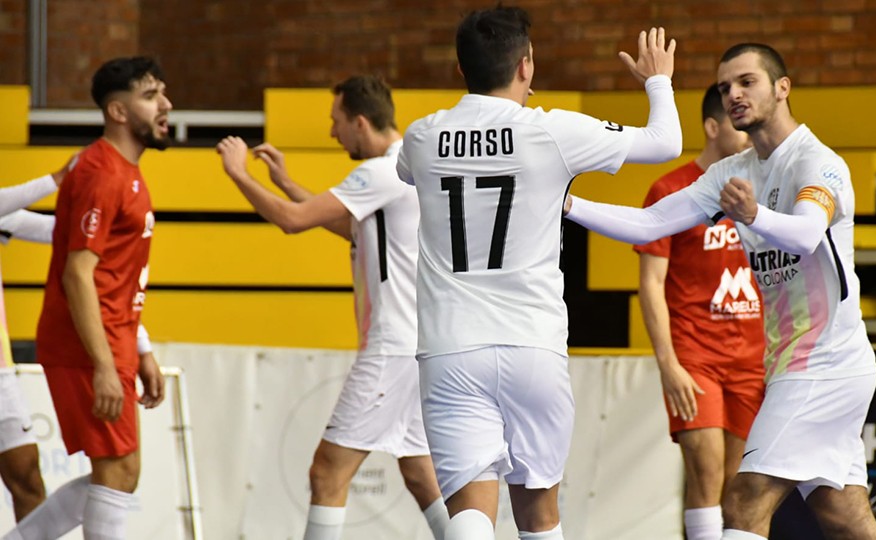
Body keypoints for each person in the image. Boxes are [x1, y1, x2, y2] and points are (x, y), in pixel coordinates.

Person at [564, 43, 876, 540]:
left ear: (782, 88)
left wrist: (753, 215)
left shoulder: (817, 162)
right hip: (793, 367)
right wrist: (566, 203)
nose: (734, 94)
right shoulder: (731, 173)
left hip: (824, 365)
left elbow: (806, 232)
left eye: (746, 82)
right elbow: (649, 223)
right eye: (724, 88)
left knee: (741, 501)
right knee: (846, 520)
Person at [395, 6, 681, 539]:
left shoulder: (421, 136)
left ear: (461, 70)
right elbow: (665, 142)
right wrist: (658, 81)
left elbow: (406, 173)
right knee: (540, 517)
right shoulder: (552, 131)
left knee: (470, 517)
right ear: (526, 65)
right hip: (534, 345)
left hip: (451, 347)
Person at [216, 75, 448, 540]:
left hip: (392, 349)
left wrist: (239, 174)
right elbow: (352, 227)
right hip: (419, 349)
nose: (332, 133)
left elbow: (293, 221)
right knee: (422, 477)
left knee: (327, 473)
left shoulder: (381, 172)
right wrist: (283, 181)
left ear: (360, 122)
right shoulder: (407, 169)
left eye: (336, 122)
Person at [3, 56, 169, 540]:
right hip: (85, 345)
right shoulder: (102, 172)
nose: (166, 105)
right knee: (116, 472)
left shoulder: (122, 171)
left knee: (120, 472)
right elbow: (79, 273)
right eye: (151, 95)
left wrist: (140, 347)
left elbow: (114, 275)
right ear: (118, 111)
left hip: (111, 337)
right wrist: (103, 363)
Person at [634, 83, 763, 540]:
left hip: (753, 358)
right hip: (695, 357)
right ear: (712, 126)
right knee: (705, 473)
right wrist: (668, 364)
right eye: (735, 122)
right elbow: (650, 283)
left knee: (742, 487)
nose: (748, 132)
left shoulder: (760, 187)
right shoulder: (670, 188)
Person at [0, 165, 71, 523]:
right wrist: (56, 180)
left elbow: (56, 231)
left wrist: (107, 213)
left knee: (28, 481)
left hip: (0, 377)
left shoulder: (3, 212)